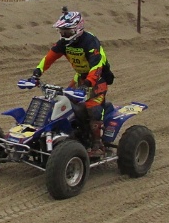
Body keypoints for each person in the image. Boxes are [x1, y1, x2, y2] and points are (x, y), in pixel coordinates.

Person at [30, 8, 114, 158]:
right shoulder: (64, 43)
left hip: (97, 79)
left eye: (66, 31)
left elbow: (97, 66)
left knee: (92, 108)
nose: (63, 34)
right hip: (80, 77)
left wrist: (87, 84)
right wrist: (37, 72)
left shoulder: (90, 41)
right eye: (61, 31)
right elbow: (49, 57)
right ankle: (71, 134)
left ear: (77, 29)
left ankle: (97, 145)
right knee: (64, 102)